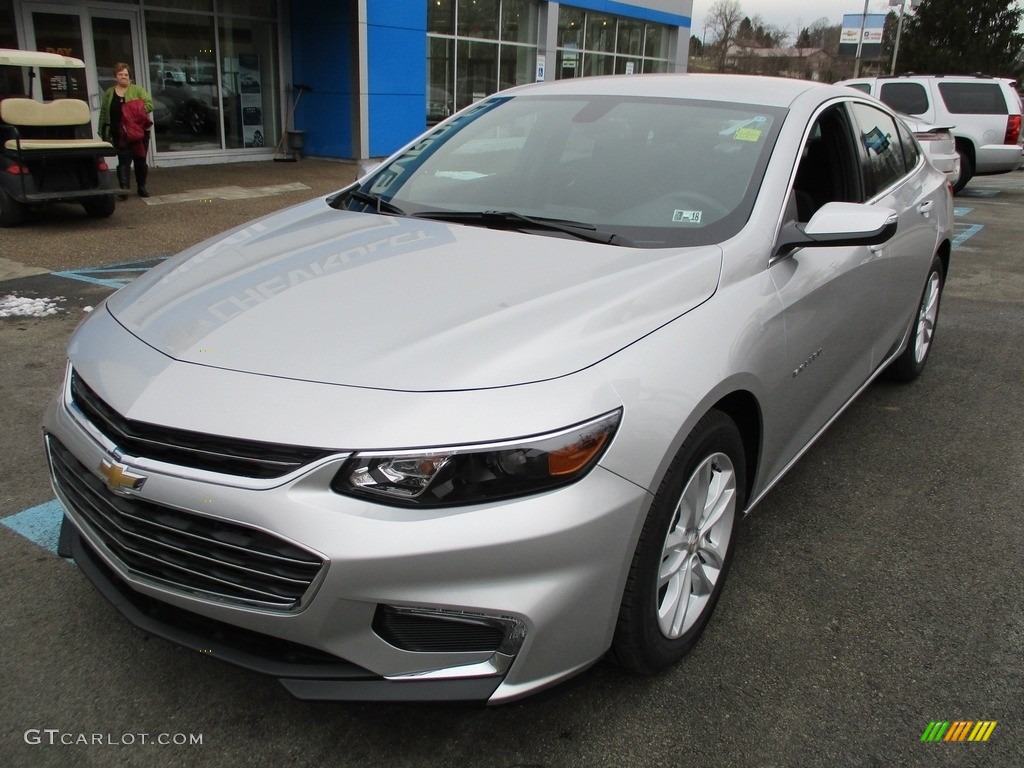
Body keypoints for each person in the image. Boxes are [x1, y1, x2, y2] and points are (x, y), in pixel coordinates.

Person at [99, 63, 154, 198]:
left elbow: (149, 104)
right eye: (120, 74)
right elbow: (104, 112)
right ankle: (124, 189)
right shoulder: (109, 93)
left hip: (138, 132)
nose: (123, 77)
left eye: (126, 74)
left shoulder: (138, 90)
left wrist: (135, 111)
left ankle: (141, 187)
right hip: (119, 132)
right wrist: (102, 130)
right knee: (123, 160)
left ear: (130, 77)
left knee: (140, 159)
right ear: (115, 76)